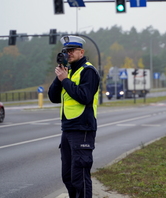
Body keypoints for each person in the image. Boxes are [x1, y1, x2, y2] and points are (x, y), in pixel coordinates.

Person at [48, 35, 100, 198]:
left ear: (81, 52)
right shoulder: (68, 72)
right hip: (68, 129)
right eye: (65, 51)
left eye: (71, 50)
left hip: (82, 129)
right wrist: (60, 78)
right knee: (68, 177)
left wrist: (65, 80)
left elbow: (84, 96)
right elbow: (53, 97)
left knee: (80, 177)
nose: (68, 54)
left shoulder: (88, 71)